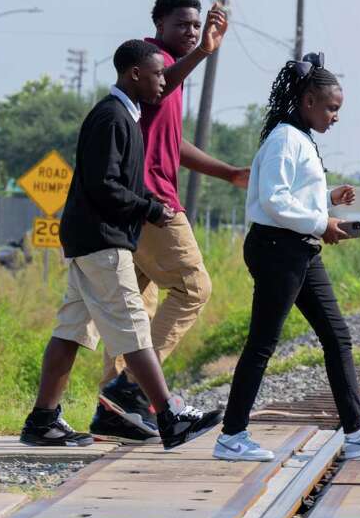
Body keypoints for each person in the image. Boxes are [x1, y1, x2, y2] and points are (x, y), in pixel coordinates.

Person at [19, 39, 222, 450]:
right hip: (102, 239)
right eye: (157, 74)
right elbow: (103, 184)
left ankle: (42, 420)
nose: (164, 81)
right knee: (133, 326)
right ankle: (169, 414)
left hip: (92, 238)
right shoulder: (112, 118)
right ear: (134, 74)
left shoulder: (122, 116)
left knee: (72, 330)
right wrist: (149, 208)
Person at [216, 53, 360, 462]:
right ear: (308, 102)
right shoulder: (286, 138)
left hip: (297, 248)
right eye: (332, 108)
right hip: (277, 249)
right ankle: (231, 436)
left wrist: (326, 199)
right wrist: (322, 223)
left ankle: (356, 432)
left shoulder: (300, 138)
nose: (336, 117)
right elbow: (273, 200)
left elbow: (291, 198)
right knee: (262, 343)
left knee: (337, 336)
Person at [93, 0, 249, 444]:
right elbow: (165, 91)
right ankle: (133, 389)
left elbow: (172, 143)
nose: (192, 31)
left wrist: (227, 172)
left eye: (197, 25)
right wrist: (202, 51)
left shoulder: (166, 78)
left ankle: (114, 412)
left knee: (136, 309)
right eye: (182, 24)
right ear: (159, 25)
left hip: (135, 204)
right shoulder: (153, 65)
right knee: (193, 286)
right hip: (151, 204)